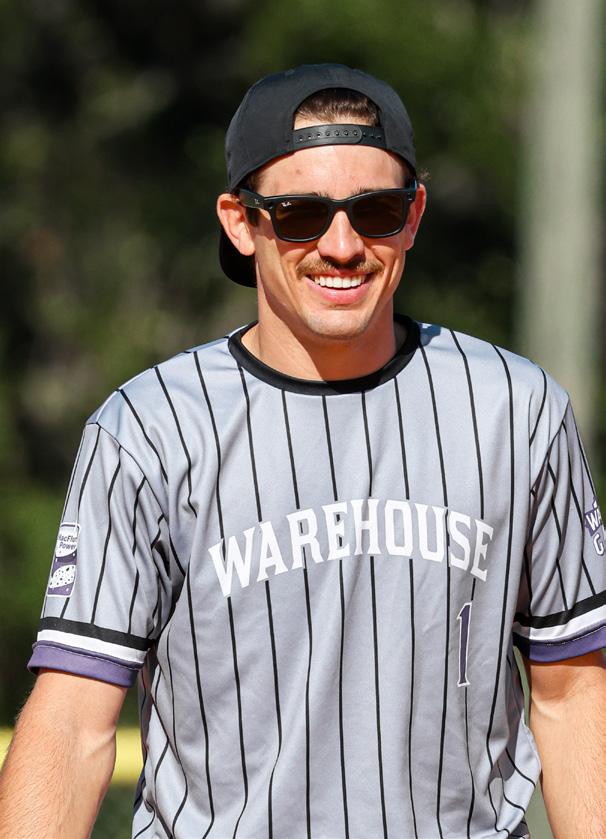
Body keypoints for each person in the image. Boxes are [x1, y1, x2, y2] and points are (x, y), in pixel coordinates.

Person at [0, 63, 604, 839]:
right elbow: (75, 721)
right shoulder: (148, 429)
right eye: (299, 215)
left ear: (414, 215)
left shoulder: (516, 409)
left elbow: (573, 693)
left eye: (375, 210)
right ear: (239, 221)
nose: (341, 245)